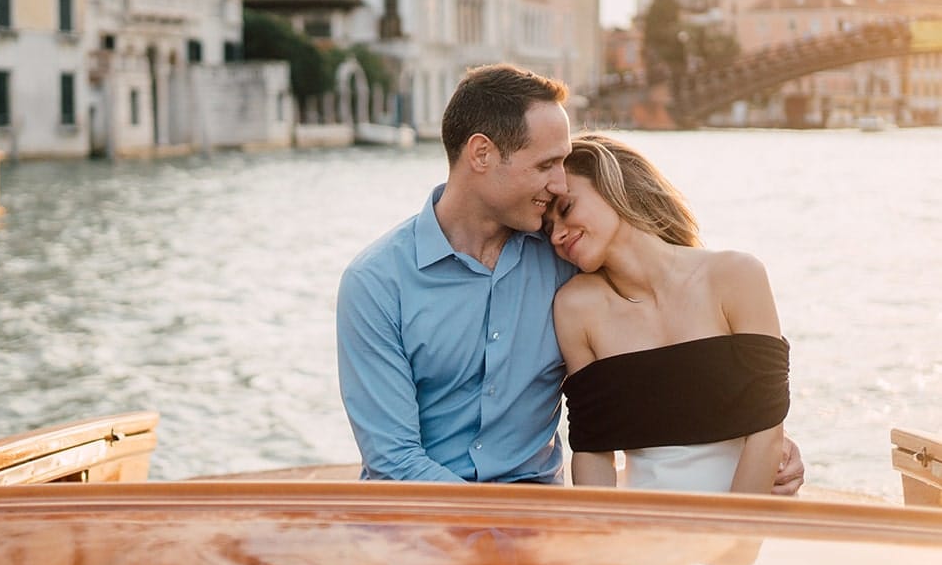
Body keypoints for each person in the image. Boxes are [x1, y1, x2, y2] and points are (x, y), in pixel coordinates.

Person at [336, 63, 804, 491]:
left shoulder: (571, 258)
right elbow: (393, 460)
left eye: (563, 165)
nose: (560, 183)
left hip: (541, 518)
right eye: (546, 165)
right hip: (421, 517)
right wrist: (490, 530)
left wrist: (764, 440)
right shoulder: (377, 284)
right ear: (481, 154)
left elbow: (676, 342)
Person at [545, 133, 790, 493]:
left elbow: (767, 434)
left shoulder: (736, 276)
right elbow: (594, 451)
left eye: (565, 210)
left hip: (745, 520)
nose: (557, 236)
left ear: (613, 185)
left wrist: (737, 540)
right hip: (643, 530)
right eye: (548, 228)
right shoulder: (575, 308)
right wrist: (600, 541)